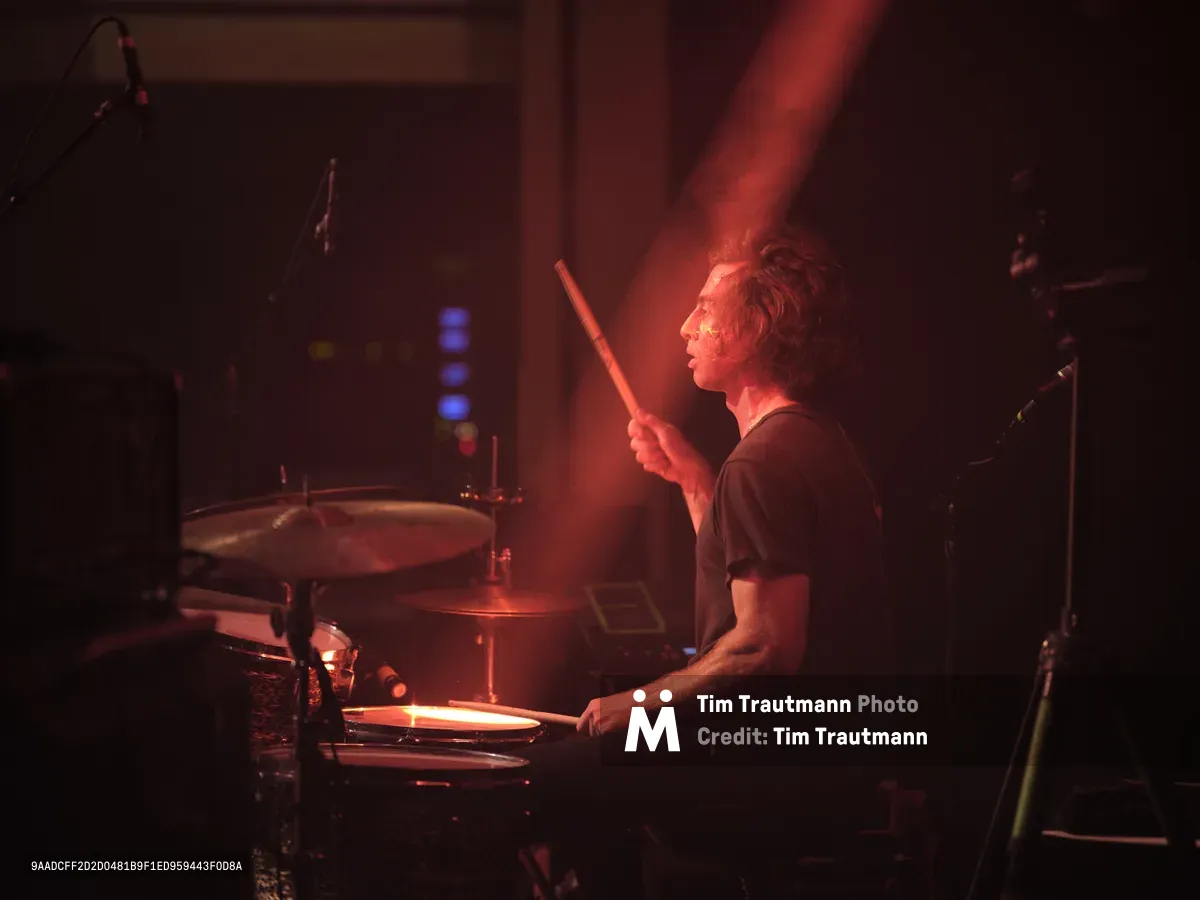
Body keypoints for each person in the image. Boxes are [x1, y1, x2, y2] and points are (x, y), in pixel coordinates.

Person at [518, 223, 891, 896]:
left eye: (706, 310)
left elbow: (765, 646)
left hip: (763, 762)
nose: (686, 327)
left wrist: (640, 703)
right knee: (584, 767)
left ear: (756, 330)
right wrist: (695, 483)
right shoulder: (820, 440)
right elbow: (747, 583)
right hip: (830, 751)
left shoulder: (761, 463)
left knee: (525, 783)